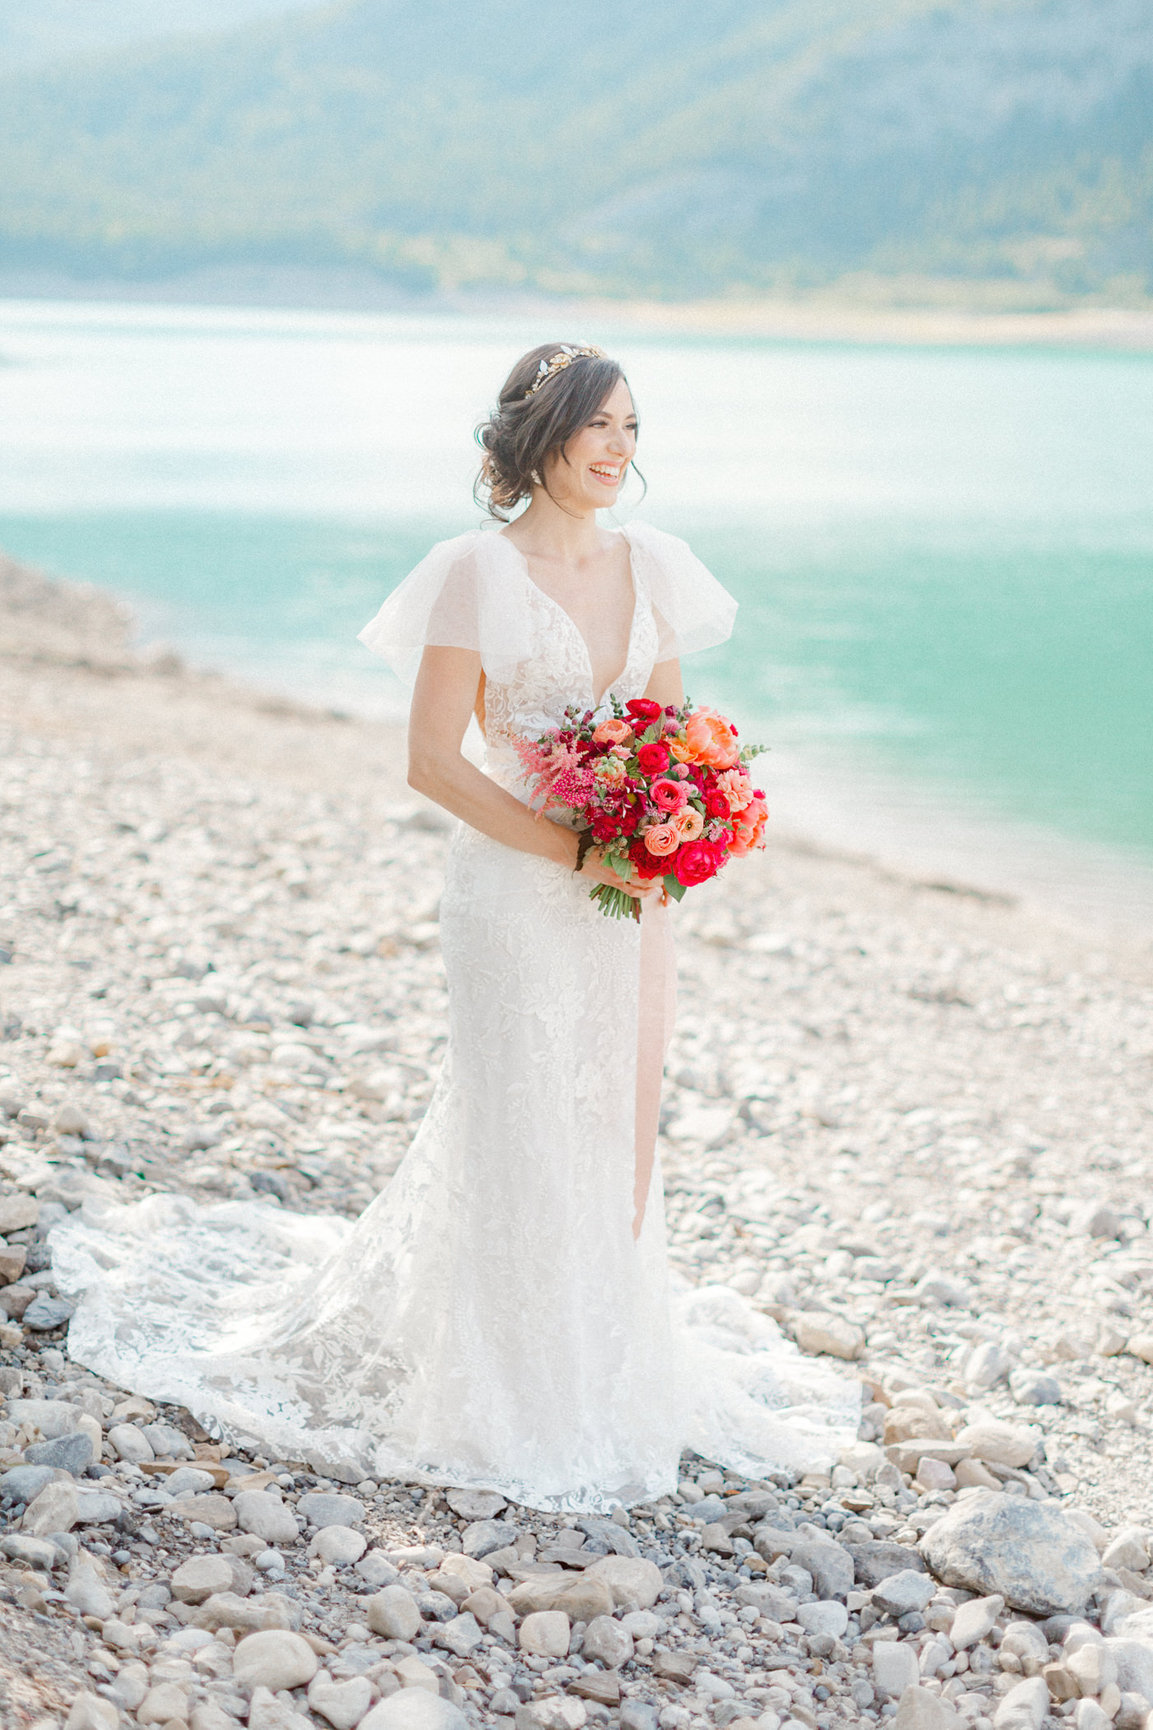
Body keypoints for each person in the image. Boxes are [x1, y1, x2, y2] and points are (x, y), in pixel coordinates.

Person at [51, 343, 859, 1513]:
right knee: (520, 1108)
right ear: (539, 436)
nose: (619, 450)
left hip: (627, 894)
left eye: (633, 428)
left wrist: (682, 818)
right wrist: (576, 847)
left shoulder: (658, 565)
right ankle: (505, 1382)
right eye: (598, 427)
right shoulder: (470, 570)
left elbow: (673, 731)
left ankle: (607, 1355)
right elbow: (431, 760)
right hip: (515, 888)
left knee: (618, 1110)